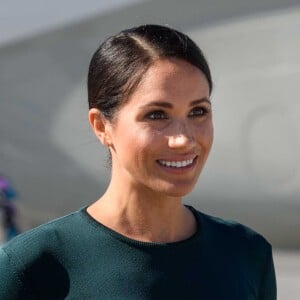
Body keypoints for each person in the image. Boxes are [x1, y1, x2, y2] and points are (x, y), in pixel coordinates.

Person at [0, 24, 276, 299]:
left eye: (198, 111)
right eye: (156, 115)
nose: (183, 140)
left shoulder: (248, 254)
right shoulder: (30, 268)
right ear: (101, 127)